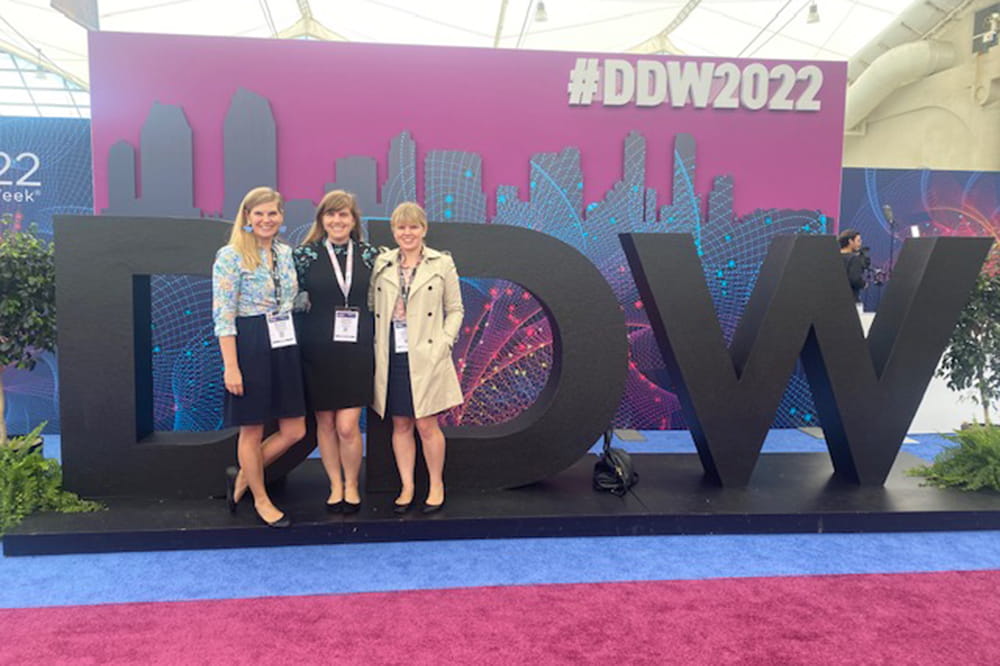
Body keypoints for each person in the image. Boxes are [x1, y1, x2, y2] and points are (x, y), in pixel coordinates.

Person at [212, 186, 306, 528]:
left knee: (294, 429)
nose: (266, 220)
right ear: (247, 217)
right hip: (249, 343)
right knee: (251, 430)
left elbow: (292, 297)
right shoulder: (231, 255)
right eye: (259, 213)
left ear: (281, 217)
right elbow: (223, 315)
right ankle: (261, 498)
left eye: (273, 213)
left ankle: (243, 478)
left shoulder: (286, 253)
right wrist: (231, 366)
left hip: (284, 342)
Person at [369, 202, 464, 514]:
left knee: (426, 424)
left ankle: (436, 484)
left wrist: (444, 343)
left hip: (427, 354)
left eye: (413, 227)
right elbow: (372, 304)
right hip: (392, 353)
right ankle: (407, 485)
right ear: (393, 230)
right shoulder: (382, 263)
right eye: (401, 227)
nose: (407, 233)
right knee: (400, 423)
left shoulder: (441, 264)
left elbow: (456, 310)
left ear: (424, 229)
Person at [293, 190, 380, 513]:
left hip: (357, 349)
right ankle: (335, 485)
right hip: (316, 348)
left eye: (343, 215)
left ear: (354, 220)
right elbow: (289, 294)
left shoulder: (372, 255)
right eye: (330, 215)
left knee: (347, 426)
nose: (337, 220)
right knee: (325, 425)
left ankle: (352, 484)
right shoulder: (305, 256)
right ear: (322, 220)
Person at [838, 228, 868, 304]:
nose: (860, 243)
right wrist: (864, 284)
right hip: (851, 300)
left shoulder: (833, 256)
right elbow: (855, 279)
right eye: (858, 241)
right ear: (850, 241)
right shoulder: (854, 258)